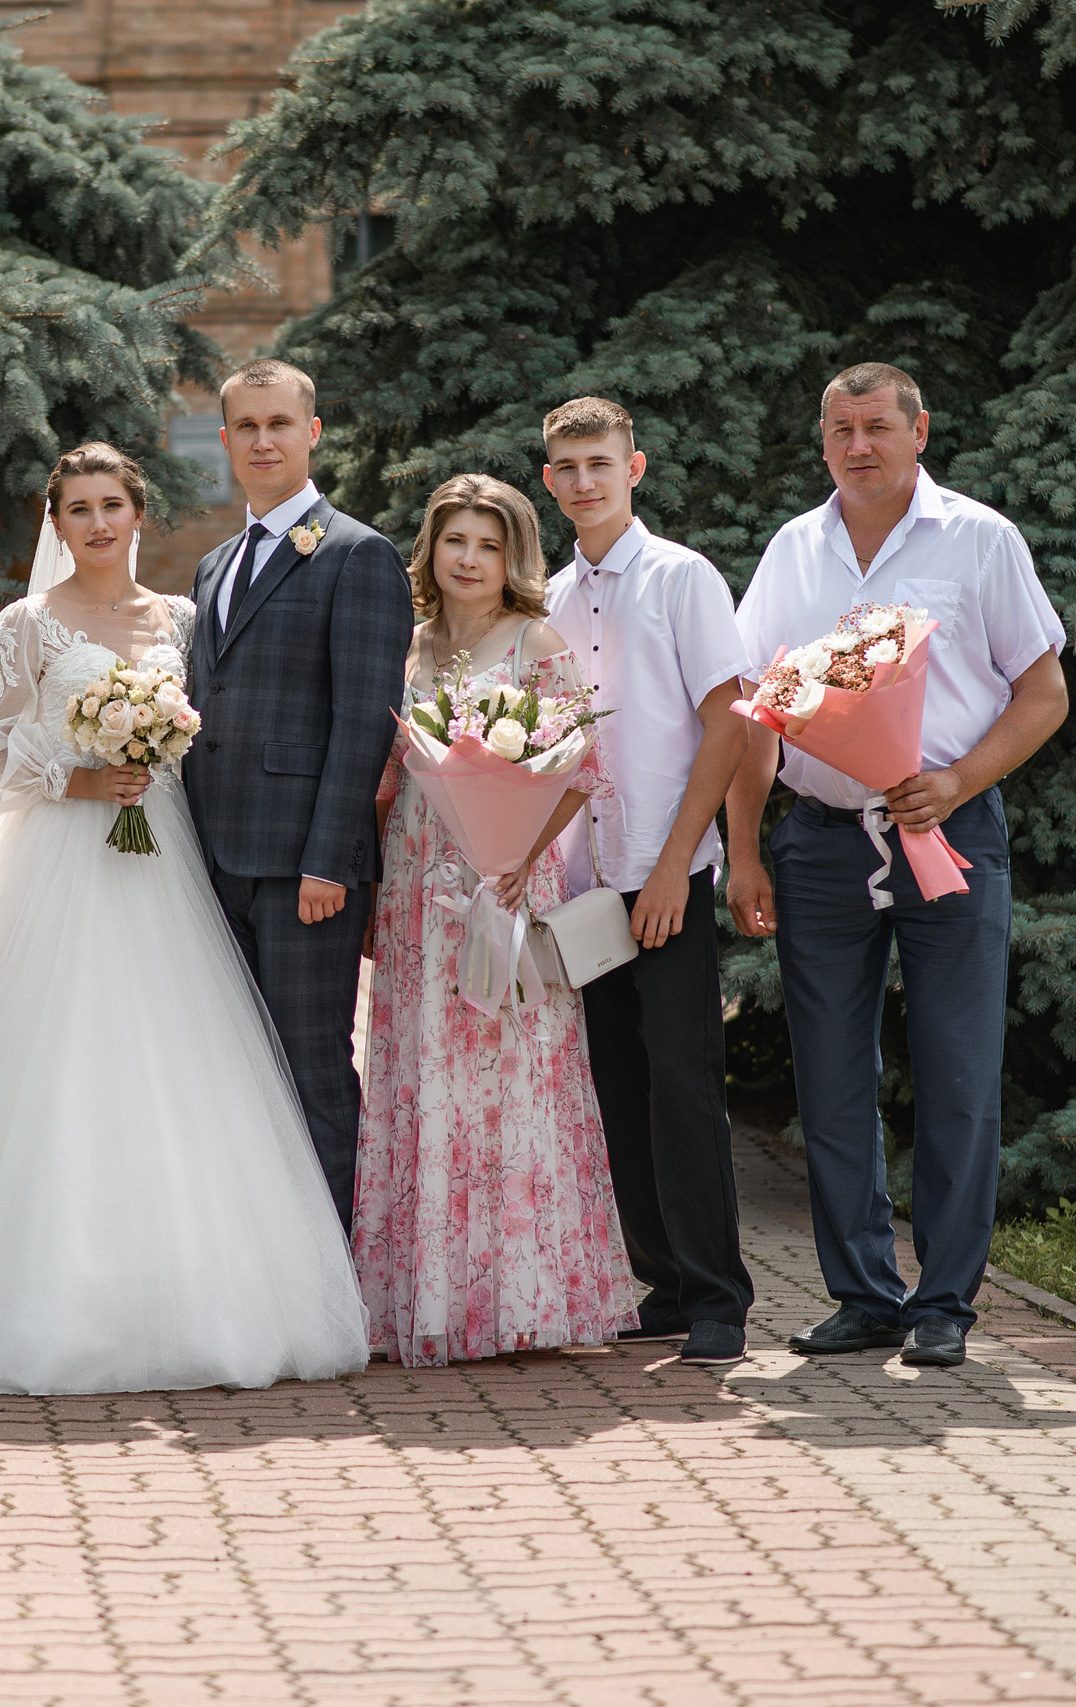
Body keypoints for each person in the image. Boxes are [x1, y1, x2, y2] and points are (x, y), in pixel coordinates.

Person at [0, 443, 367, 1394]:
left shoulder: (183, 616)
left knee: (178, 1062)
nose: (96, 523)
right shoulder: (27, 623)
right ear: (57, 523)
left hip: (165, 856)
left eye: (112, 505)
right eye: (77, 508)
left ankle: (186, 1294)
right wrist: (76, 775)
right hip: (56, 863)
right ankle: (44, 1300)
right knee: (57, 1065)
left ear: (138, 515)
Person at [726, 362, 1069, 1369]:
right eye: (839, 430)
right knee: (830, 1079)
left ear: (919, 431)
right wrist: (743, 849)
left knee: (957, 1077)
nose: (857, 446)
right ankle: (864, 1294)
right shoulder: (794, 548)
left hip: (950, 833)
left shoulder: (977, 538)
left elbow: (1042, 692)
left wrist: (958, 780)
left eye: (876, 426)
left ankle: (944, 1303)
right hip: (822, 842)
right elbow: (757, 711)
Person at [354, 473, 633, 1367]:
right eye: (454, 541)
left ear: (513, 556)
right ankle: (423, 1300)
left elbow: (581, 767)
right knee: (420, 1072)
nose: (469, 559)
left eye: (488, 544)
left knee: (512, 1077)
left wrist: (515, 857)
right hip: (414, 887)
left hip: (506, 883)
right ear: (431, 551)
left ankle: (519, 1299)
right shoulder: (408, 645)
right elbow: (391, 772)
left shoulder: (536, 640)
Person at [539, 397, 757, 1368]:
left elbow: (729, 724)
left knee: (681, 1085)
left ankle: (717, 1296)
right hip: (584, 884)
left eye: (600, 463)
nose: (584, 480)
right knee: (614, 1087)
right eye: (567, 467)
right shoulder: (543, 600)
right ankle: (662, 1283)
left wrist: (676, 865)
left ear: (635, 468)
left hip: (664, 873)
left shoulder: (680, 578)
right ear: (549, 482)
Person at [183, 359, 416, 1227]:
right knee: (238, 1069)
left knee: (313, 1065)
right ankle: (265, 1258)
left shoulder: (357, 553)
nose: (263, 440)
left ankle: (342, 1276)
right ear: (227, 442)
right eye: (246, 427)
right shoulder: (212, 567)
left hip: (305, 872)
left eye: (279, 423)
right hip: (214, 860)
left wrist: (329, 860)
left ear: (311, 433)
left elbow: (364, 723)